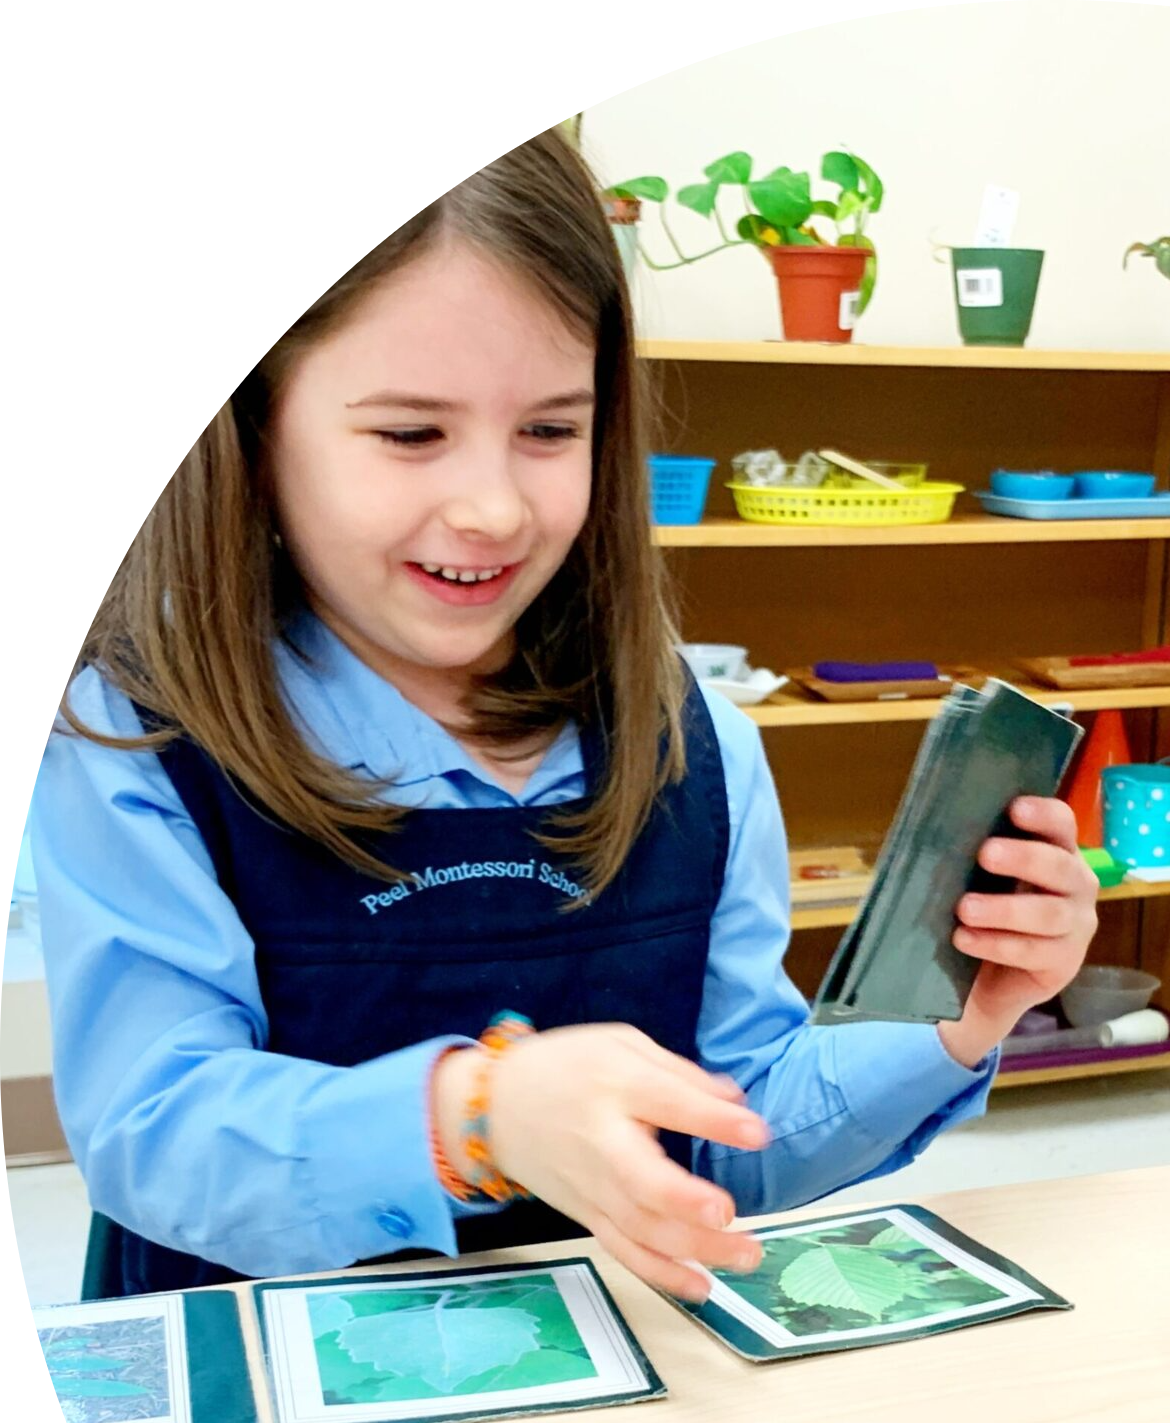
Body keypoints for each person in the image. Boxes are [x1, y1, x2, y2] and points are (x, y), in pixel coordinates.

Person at [36, 131, 1096, 1302]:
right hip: (266, 1414)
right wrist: (475, 1115)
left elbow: (732, 1137)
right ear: (253, 431)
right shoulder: (139, 737)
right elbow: (155, 1136)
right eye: (408, 434)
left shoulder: (695, 741)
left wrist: (957, 1020)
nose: (492, 506)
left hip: (597, 1410)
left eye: (549, 430)